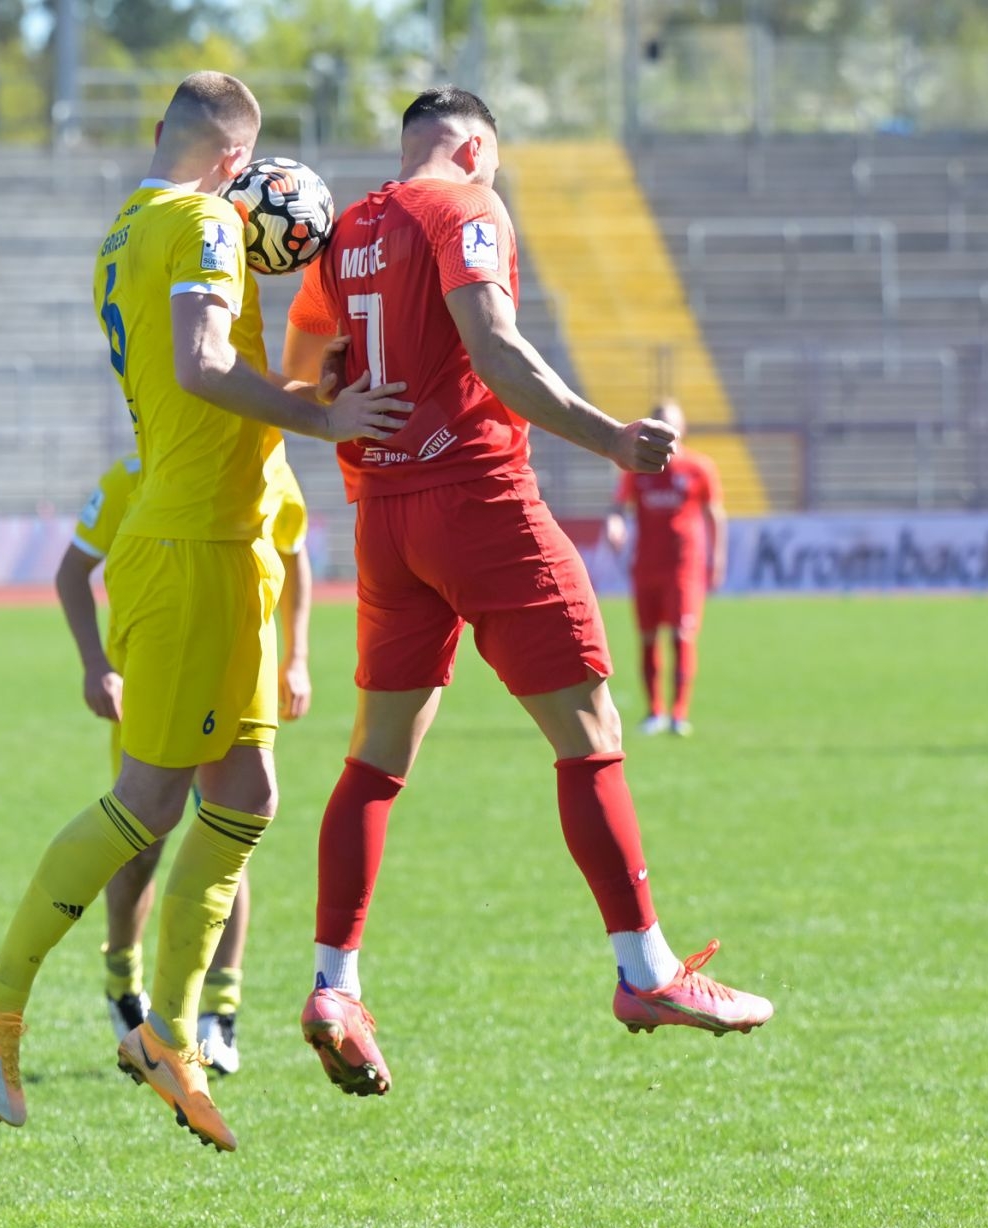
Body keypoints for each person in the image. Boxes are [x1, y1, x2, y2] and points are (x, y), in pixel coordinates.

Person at [0, 70, 408, 1151]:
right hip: (191, 542)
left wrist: (304, 393)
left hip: (225, 540)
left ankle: (168, 1029)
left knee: (244, 794)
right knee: (151, 801)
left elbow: (202, 375)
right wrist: (325, 416)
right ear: (239, 165)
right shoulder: (203, 223)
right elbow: (202, 367)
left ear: (164, 131)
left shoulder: (126, 230)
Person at [281, 86, 772, 1099]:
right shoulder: (466, 204)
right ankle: (645, 969)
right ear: (472, 148)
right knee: (590, 731)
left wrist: (338, 409)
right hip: (478, 501)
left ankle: (336, 984)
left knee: (375, 759)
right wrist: (613, 440)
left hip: (384, 519)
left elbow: (301, 376)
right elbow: (496, 349)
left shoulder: (348, 231)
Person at [53, 445, 315, 1076]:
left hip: (235, 683)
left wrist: (298, 656)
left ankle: (217, 1013)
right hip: (151, 688)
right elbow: (72, 571)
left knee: (226, 839)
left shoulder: (270, 471)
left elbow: (294, 555)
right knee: (139, 846)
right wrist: (95, 665)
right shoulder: (132, 478)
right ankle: (123, 980)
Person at [604, 399, 726, 737]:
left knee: (681, 635)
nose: (665, 431)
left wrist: (717, 559)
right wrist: (615, 524)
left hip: (684, 567)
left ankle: (679, 714)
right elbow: (618, 507)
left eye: (670, 424)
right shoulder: (637, 470)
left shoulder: (698, 468)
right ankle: (654, 712)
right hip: (646, 565)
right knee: (647, 637)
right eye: (658, 424)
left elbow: (714, 514)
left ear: (682, 429)